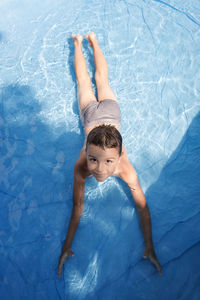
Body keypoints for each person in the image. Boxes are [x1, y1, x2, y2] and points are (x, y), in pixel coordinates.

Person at [58, 33, 161, 277]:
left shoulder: (125, 168)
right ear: (85, 151)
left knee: (88, 80)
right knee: (94, 79)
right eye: (93, 159)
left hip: (105, 114)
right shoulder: (81, 166)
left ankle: (87, 41)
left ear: (120, 155)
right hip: (97, 113)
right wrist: (67, 246)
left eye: (108, 162)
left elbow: (142, 207)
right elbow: (78, 207)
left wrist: (150, 246)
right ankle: (83, 41)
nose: (100, 169)